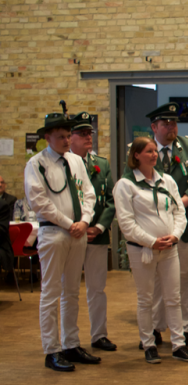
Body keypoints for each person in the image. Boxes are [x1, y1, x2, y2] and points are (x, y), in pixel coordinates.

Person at [24, 113, 98, 372]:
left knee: (72, 292)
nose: (67, 141)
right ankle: (52, 349)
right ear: (47, 138)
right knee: (51, 292)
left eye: (68, 136)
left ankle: (71, 344)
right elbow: (39, 202)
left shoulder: (76, 160)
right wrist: (69, 223)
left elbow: (89, 193)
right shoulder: (37, 164)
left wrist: (85, 221)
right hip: (54, 233)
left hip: (78, 233)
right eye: (61, 137)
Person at [114, 137, 188, 364]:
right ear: (136, 155)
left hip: (169, 248)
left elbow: (179, 212)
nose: (154, 155)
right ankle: (149, 344)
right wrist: (151, 241)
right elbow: (126, 223)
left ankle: (178, 344)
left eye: (154, 151)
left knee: (173, 297)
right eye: (148, 151)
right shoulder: (125, 185)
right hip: (143, 250)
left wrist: (175, 235)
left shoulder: (167, 180)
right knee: (146, 299)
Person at [146, 103, 188, 345]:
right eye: (166, 123)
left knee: (183, 277)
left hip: (185, 225)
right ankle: (154, 327)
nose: (172, 127)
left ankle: (183, 328)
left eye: (174, 123)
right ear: (154, 127)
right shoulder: (142, 149)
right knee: (155, 281)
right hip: (154, 226)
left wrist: (183, 201)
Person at [69, 113, 117, 352]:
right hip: (70, 234)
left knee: (97, 288)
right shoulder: (64, 163)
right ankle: (70, 340)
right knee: (69, 290)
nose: (88, 137)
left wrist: (98, 227)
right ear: (70, 137)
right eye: (82, 133)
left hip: (96, 234)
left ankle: (99, 335)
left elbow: (110, 200)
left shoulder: (101, 164)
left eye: (90, 133)